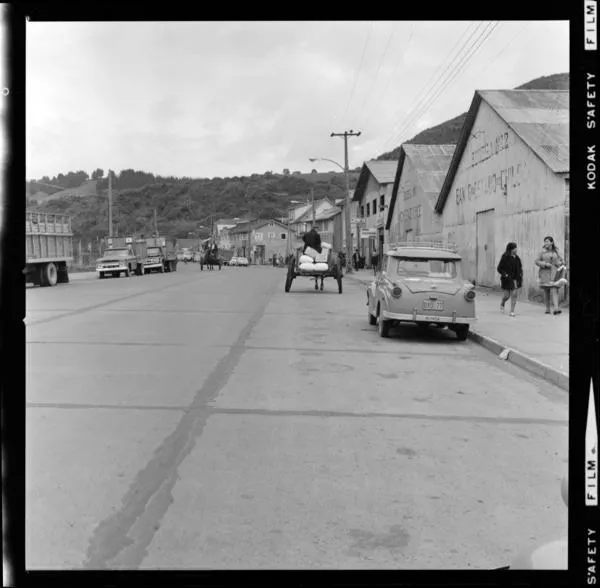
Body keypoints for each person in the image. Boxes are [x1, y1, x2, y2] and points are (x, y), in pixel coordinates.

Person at [535, 236, 565, 315]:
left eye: (547, 241)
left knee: (555, 289)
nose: (546, 243)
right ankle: (547, 308)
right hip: (545, 273)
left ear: (552, 242)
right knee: (547, 291)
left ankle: (556, 309)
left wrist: (560, 263)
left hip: (555, 273)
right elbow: (537, 261)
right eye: (545, 241)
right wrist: (545, 264)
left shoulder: (556, 251)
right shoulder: (542, 251)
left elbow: (561, 260)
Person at [497, 242, 523, 317]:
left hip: (515, 279)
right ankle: (503, 302)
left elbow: (520, 267)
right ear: (511, 249)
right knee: (507, 296)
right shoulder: (505, 257)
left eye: (516, 248)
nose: (516, 249)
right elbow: (499, 268)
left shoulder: (517, 258)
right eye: (515, 248)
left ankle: (512, 311)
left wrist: (520, 275)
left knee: (514, 294)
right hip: (507, 279)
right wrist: (505, 274)